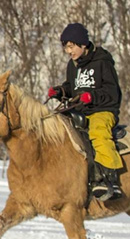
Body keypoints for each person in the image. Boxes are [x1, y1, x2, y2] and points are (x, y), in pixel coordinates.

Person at [48, 23, 123, 201]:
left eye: (71, 46)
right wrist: (60, 92)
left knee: (98, 132)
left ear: (82, 44)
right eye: (66, 47)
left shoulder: (103, 62)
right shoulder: (72, 65)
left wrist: (92, 96)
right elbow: (73, 88)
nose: (68, 51)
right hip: (79, 111)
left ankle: (108, 179)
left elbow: (113, 93)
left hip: (102, 111)